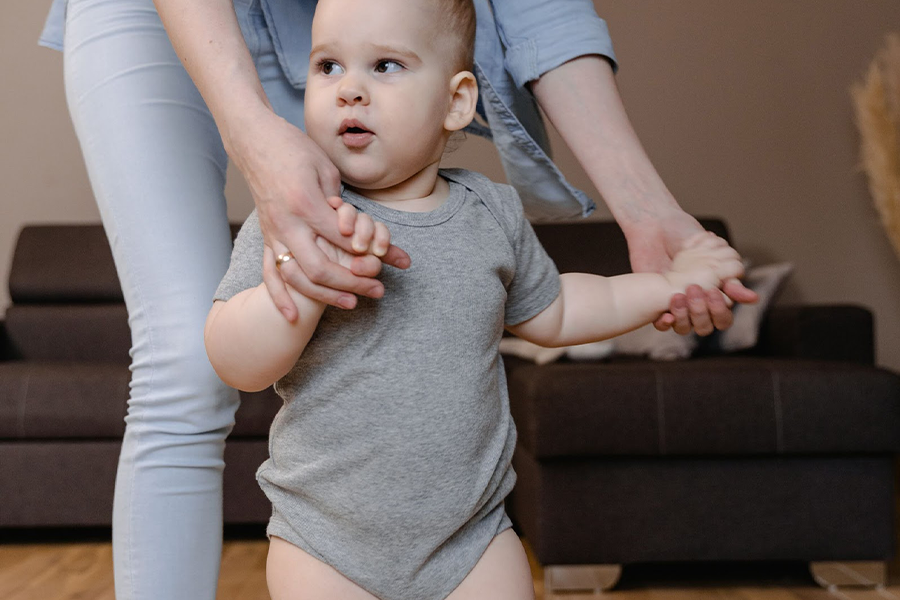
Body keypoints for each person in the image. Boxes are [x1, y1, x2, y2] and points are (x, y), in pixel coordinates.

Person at [39, 0, 757, 598]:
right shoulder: (300, 222)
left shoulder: (490, 216)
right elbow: (231, 357)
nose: (349, 89)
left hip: (472, 537)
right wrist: (289, 293)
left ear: (457, 102)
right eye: (329, 69)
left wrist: (665, 280)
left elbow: (560, 310)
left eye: (384, 68)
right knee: (179, 375)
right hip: (325, 546)